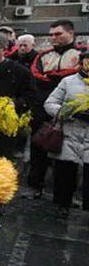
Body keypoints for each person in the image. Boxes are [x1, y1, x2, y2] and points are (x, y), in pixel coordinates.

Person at [27, 20, 81, 196]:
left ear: (71, 33)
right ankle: (35, 187)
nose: (53, 38)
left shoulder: (80, 55)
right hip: (43, 109)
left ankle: (64, 196)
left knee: (67, 158)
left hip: (72, 112)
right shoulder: (43, 56)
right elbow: (36, 78)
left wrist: (50, 78)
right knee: (38, 150)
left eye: (58, 34)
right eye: (51, 34)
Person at [43, 49, 89, 215]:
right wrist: (67, 112)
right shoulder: (68, 82)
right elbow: (50, 104)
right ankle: (61, 206)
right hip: (69, 134)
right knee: (64, 174)